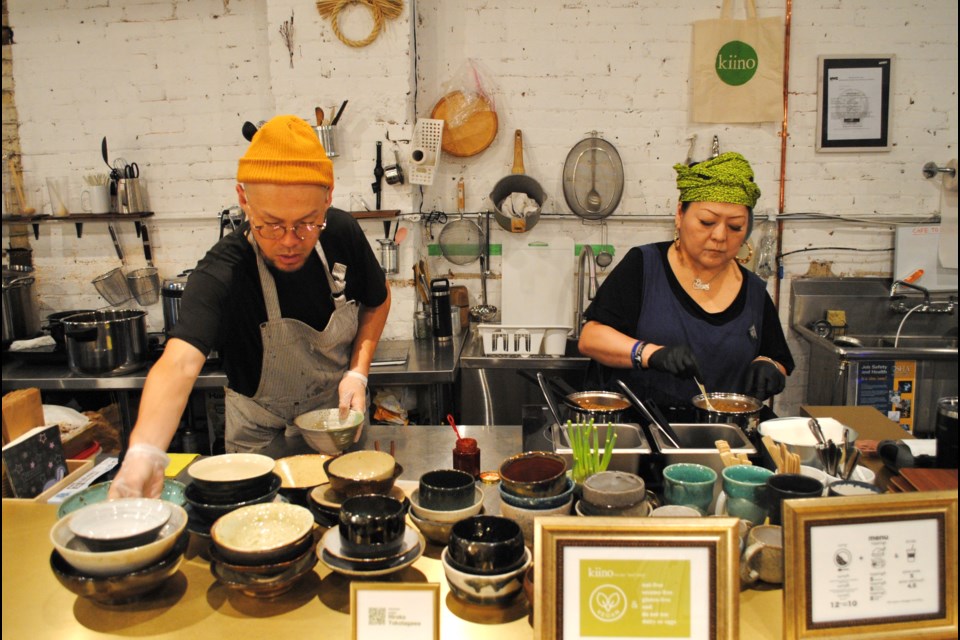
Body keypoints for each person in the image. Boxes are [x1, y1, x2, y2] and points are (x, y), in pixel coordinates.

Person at [109, 115, 391, 498]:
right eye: (270, 224)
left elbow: (378, 299)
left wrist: (358, 372)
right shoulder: (223, 270)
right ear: (244, 199)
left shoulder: (342, 234)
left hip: (333, 423)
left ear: (328, 196)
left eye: (308, 223)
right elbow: (178, 363)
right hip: (257, 437)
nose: (290, 241)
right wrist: (144, 453)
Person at [578, 151, 793, 407]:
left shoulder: (754, 292)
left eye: (735, 226)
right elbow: (591, 338)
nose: (720, 236)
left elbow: (776, 358)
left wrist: (768, 367)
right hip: (640, 433)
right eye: (706, 222)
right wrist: (650, 354)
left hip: (722, 437)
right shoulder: (644, 266)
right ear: (680, 214)